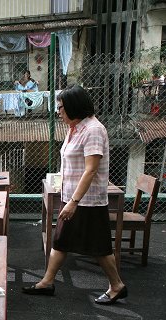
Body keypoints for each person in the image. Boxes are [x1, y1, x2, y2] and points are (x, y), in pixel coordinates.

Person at [23, 85, 127, 305]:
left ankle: (117, 286)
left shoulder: (93, 130)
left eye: (61, 107)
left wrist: (74, 202)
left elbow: (90, 170)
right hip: (71, 198)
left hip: (86, 202)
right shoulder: (75, 128)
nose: (58, 112)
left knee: (99, 247)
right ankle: (47, 282)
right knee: (60, 241)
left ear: (74, 106)